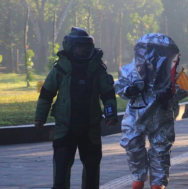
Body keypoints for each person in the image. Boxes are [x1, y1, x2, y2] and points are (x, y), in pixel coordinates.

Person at [35, 27, 118, 189]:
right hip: (64, 127)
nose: (83, 50)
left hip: (91, 126)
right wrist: (40, 118)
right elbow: (46, 94)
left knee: (92, 166)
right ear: (70, 47)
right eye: (80, 47)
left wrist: (111, 115)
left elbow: (108, 95)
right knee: (61, 166)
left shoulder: (97, 69)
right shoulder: (60, 69)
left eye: (86, 47)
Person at [115, 33, 188, 189]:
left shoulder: (173, 72)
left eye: (159, 51)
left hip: (162, 115)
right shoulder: (129, 70)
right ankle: (138, 177)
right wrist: (129, 90)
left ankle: (158, 183)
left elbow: (184, 89)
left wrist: (170, 94)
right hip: (136, 115)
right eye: (150, 51)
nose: (153, 56)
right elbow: (120, 87)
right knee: (133, 146)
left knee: (161, 150)